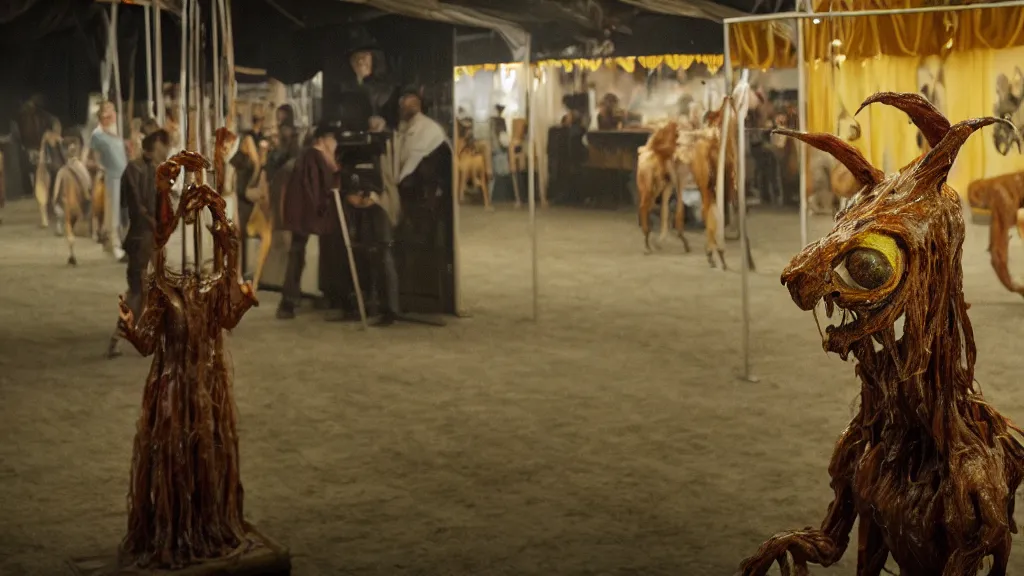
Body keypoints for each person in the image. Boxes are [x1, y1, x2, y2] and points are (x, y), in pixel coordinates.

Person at [107, 121, 170, 358]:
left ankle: (148, 335)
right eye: (164, 145)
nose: (167, 150)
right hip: (144, 236)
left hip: (148, 236)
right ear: (156, 145)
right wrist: (154, 223)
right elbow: (135, 204)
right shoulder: (138, 170)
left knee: (151, 289)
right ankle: (118, 336)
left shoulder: (155, 170)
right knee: (138, 290)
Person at [277, 124, 340, 320]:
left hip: (299, 213)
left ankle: (288, 301)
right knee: (299, 254)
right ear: (323, 140)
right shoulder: (315, 157)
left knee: (297, 254)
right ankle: (290, 300)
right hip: (308, 213)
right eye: (332, 140)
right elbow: (318, 187)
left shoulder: (305, 157)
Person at [90, 101, 129, 261]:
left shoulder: (115, 133)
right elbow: (95, 157)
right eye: (108, 111)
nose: (112, 115)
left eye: (113, 111)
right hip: (112, 177)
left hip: (124, 175)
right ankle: (114, 246)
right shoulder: (97, 135)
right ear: (102, 115)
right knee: (113, 213)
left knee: (124, 212)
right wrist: (101, 168)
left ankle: (122, 243)